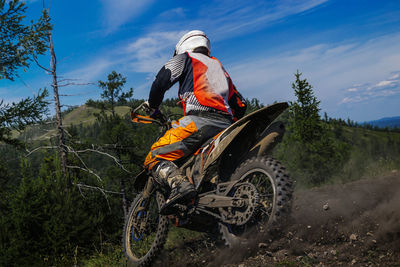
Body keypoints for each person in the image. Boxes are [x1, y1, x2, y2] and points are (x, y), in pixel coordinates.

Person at [143, 30, 247, 214]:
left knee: (154, 156)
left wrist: (152, 105)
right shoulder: (219, 67)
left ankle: (179, 185)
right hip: (227, 125)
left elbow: (161, 81)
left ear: (183, 46)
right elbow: (239, 104)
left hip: (199, 121)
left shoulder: (185, 57)